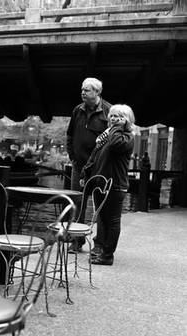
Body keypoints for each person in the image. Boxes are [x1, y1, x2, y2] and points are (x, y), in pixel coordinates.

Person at [81, 104, 135, 265]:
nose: (114, 119)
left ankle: (107, 256)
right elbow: (95, 157)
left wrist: (117, 127)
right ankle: (101, 249)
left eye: (119, 116)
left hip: (115, 185)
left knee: (112, 221)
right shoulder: (106, 136)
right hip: (100, 184)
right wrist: (85, 173)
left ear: (128, 120)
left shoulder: (126, 137)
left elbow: (114, 145)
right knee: (102, 219)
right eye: (112, 116)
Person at [66, 77, 111, 252]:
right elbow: (70, 135)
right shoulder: (78, 110)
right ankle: (77, 242)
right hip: (79, 166)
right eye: (82, 90)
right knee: (78, 203)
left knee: (101, 205)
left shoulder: (108, 112)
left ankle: (99, 244)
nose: (82, 93)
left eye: (87, 90)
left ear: (97, 92)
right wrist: (72, 156)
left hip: (100, 168)